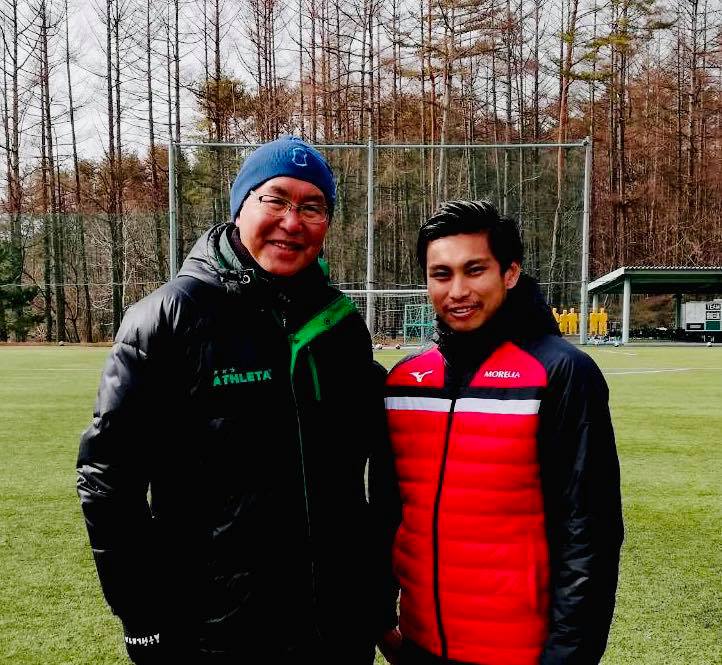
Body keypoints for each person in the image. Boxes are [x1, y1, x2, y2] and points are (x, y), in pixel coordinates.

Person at [77, 135, 398, 664]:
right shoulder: (169, 318)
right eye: (275, 199)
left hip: (335, 632)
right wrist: (141, 615)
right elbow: (108, 478)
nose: (292, 222)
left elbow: (364, 481)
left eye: (312, 207)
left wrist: (373, 603)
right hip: (215, 634)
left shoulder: (340, 326)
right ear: (240, 206)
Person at [380, 200, 623, 665]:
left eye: (475, 270)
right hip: (418, 646)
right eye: (441, 274)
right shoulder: (404, 381)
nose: (458, 291)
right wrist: (379, 617)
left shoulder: (563, 373)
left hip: (519, 653)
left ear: (510, 273)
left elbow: (590, 532)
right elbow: (389, 514)